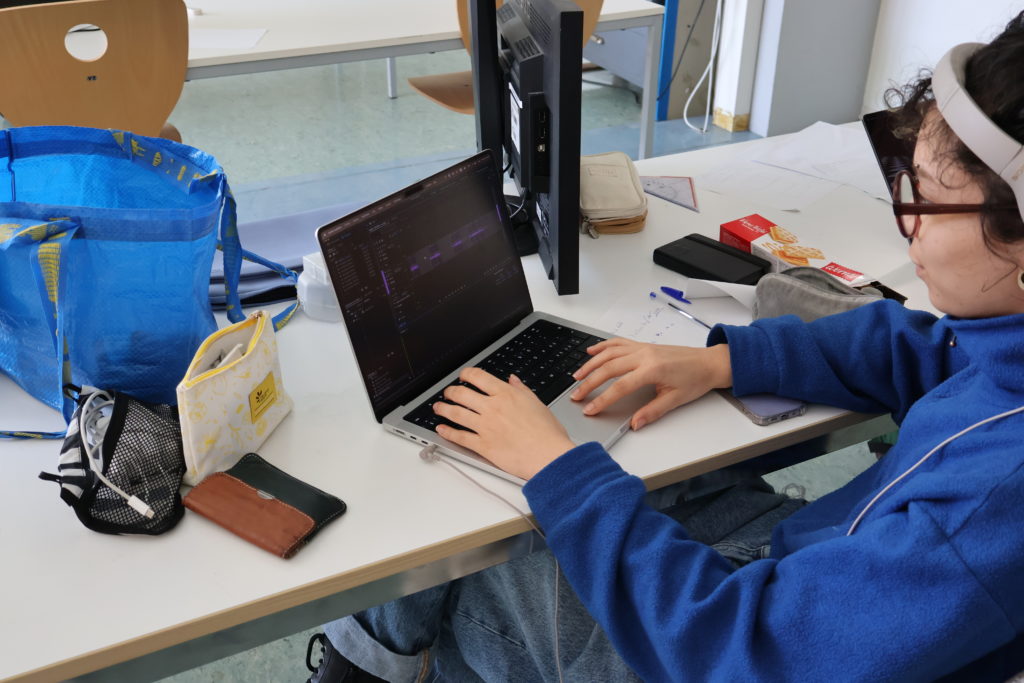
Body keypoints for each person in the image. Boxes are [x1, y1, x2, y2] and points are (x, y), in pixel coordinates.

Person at [307, 13, 1024, 682]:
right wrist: (724, 361)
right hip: (810, 569)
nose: (906, 222)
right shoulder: (1006, 347)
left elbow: (739, 646)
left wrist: (556, 468)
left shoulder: (994, 506)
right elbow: (926, 350)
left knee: (457, 555)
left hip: (740, 632)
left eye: (925, 200)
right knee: (605, 476)